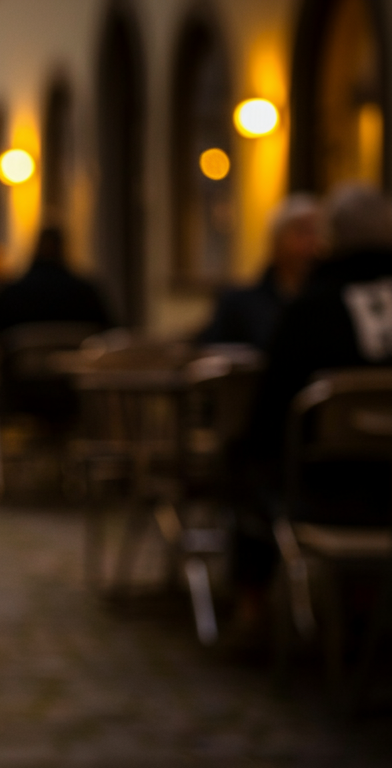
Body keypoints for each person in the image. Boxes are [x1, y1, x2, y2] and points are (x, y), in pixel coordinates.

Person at [229, 184, 392, 632]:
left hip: (328, 492)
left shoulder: (312, 309)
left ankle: (251, 605)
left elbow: (269, 415)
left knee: (250, 461)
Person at [0, 226, 112, 389]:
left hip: (19, 394)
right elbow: (113, 335)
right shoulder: (87, 293)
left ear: (35, 249)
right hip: (75, 394)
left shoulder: (12, 293)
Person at [198, 195, 323, 348]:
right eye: (303, 232)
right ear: (276, 240)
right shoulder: (239, 305)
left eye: (317, 233)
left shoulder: (327, 303)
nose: (313, 242)